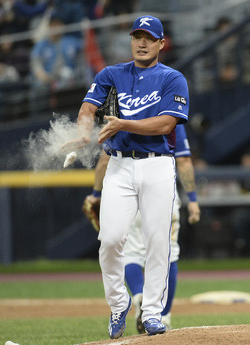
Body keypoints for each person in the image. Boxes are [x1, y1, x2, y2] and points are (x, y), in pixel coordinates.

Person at [64, 15, 189, 338]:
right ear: (131, 41)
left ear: (161, 44)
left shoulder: (173, 78)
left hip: (158, 164)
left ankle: (151, 313)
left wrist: (123, 125)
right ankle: (119, 304)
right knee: (110, 240)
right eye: (137, 36)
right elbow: (88, 108)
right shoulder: (112, 74)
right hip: (119, 166)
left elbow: (165, 124)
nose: (142, 43)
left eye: (149, 38)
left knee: (157, 242)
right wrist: (82, 133)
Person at [84, 124, 200, 334]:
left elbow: (104, 160)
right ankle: (161, 314)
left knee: (130, 252)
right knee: (167, 251)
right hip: (159, 187)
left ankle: (137, 295)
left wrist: (96, 193)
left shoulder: (122, 114)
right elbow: (182, 159)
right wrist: (192, 199)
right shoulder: (167, 116)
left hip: (123, 186)